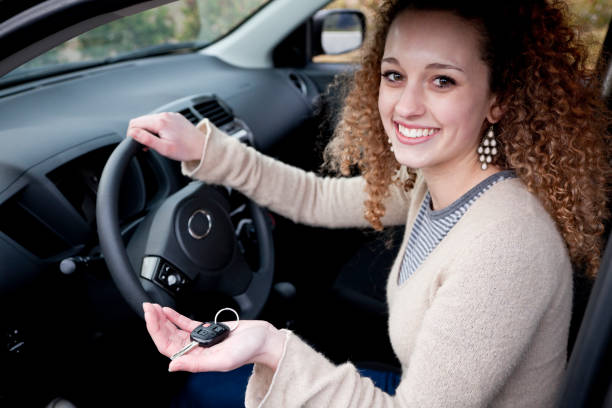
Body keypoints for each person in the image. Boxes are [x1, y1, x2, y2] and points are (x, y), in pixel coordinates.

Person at [128, 0, 611, 406]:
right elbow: (316, 197)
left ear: (498, 99)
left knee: (199, 391)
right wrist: (204, 151)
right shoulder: (437, 180)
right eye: (395, 75)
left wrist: (272, 347)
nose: (405, 106)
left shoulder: (507, 243)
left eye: (442, 80)